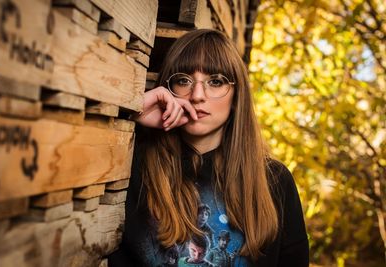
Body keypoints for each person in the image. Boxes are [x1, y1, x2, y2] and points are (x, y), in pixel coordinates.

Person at [108, 29, 309, 266]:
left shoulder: (274, 180)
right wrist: (134, 111)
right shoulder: (133, 164)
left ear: (236, 98)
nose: (197, 95)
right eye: (184, 80)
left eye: (215, 81)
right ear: (168, 87)